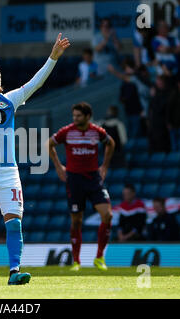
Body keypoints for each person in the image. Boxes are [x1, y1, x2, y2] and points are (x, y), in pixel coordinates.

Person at [0, 33, 70, 285]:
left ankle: (14, 272)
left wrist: (53, 58)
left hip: (9, 171)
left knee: (14, 221)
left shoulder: (10, 100)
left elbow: (35, 83)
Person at [47, 102, 115, 272]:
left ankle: (99, 257)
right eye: (74, 116)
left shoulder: (96, 131)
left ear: (87, 117)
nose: (75, 119)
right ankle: (76, 261)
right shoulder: (67, 131)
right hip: (74, 180)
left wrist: (105, 166)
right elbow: (50, 144)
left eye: (78, 116)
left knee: (107, 215)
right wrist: (58, 166)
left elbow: (110, 143)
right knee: (76, 221)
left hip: (93, 179)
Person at [109, 58, 144, 139]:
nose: (126, 70)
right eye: (125, 68)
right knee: (129, 133)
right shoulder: (125, 82)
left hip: (138, 111)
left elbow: (126, 78)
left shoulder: (137, 77)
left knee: (136, 134)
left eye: (128, 68)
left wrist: (113, 71)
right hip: (128, 111)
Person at [147, 75, 172, 153]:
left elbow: (161, 108)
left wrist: (154, 97)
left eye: (160, 82)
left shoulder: (167, 93)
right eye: (157, 82)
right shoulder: (155, 94)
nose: (158, 84)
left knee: (162, 145)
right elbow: (151, 109)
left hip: (162, 124)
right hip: (154, 124)